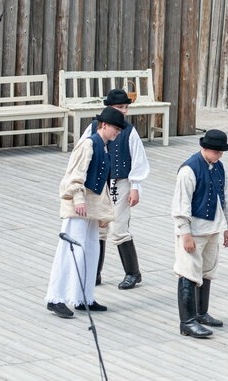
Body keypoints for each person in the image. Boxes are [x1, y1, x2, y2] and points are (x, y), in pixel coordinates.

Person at [45, 107, 126, 318]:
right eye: (115, 128)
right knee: (70, 250)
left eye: (119, 129)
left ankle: (82, 297)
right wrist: (78, 199)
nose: (117, 132)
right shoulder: (88, 144)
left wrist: (103, 213)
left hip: (92, 208)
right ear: (104, 125)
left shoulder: (105, 147)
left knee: (90, 251)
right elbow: (74, 175)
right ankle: (56, 298)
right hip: (79, 207)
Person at [80, 89, 150, 290]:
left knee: (119, 228)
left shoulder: (129, 131)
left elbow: (138, 160)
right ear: (109, 108)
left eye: (126, 107)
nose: (124, 111)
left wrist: (135, 186)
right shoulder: (94, 128)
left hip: (121, 182)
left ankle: (133, 273)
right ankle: (95, 272)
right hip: (99, 185)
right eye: (120, 107)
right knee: (99, 229)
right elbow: (83, 151)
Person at [172, 129, 228, 338]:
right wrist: (185, 234)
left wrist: (227, 226)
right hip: (194, 230)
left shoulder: (219, 167)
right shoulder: (189, 170)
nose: (220, 155)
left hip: (213, 228)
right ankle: (187, 322)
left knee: (206, 271)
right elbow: (181, 205)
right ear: (205, 148)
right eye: (217, 151)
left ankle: (201, 313)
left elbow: (225, 198)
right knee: (188, 271)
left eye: (221, 152)